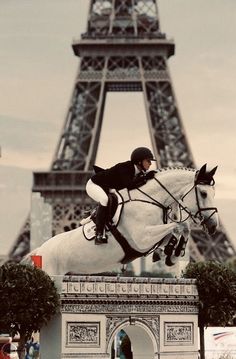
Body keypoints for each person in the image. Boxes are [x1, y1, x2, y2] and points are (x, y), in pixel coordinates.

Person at [86, 147, 156, 244]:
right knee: (104, 199)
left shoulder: (139, 172)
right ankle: (99, 234)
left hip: (108, 187)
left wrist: (146, 177)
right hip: (95, 184)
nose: (150, 163)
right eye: (148, 161)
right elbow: (129, 185)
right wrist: (145, 177)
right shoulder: (125, 167)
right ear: (139, 161)